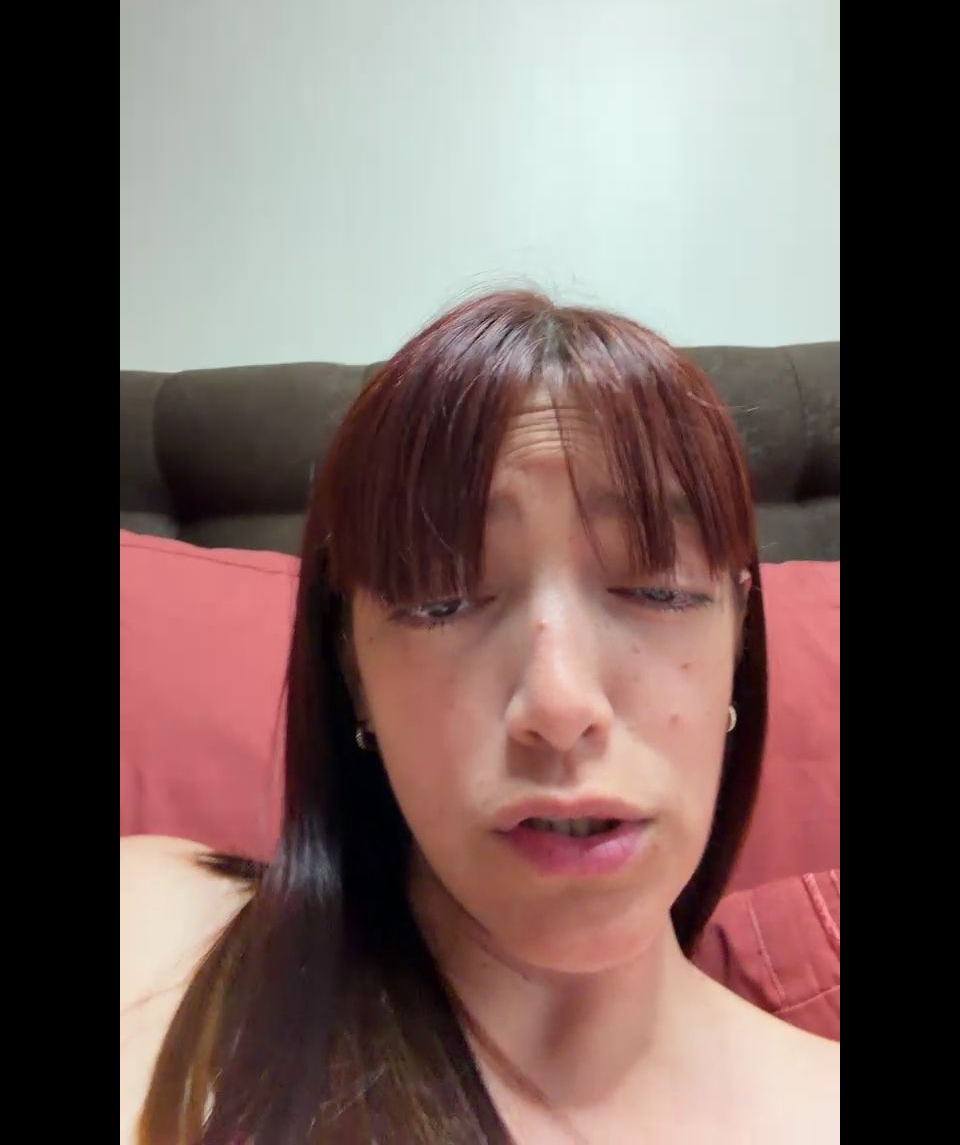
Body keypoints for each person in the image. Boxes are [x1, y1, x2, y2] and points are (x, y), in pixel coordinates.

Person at [120, 291, 839, 1144]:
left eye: (657, 588)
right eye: (443, 599)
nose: (560, 706)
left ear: (736, 643)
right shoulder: (154, 931)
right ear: (353, 672)